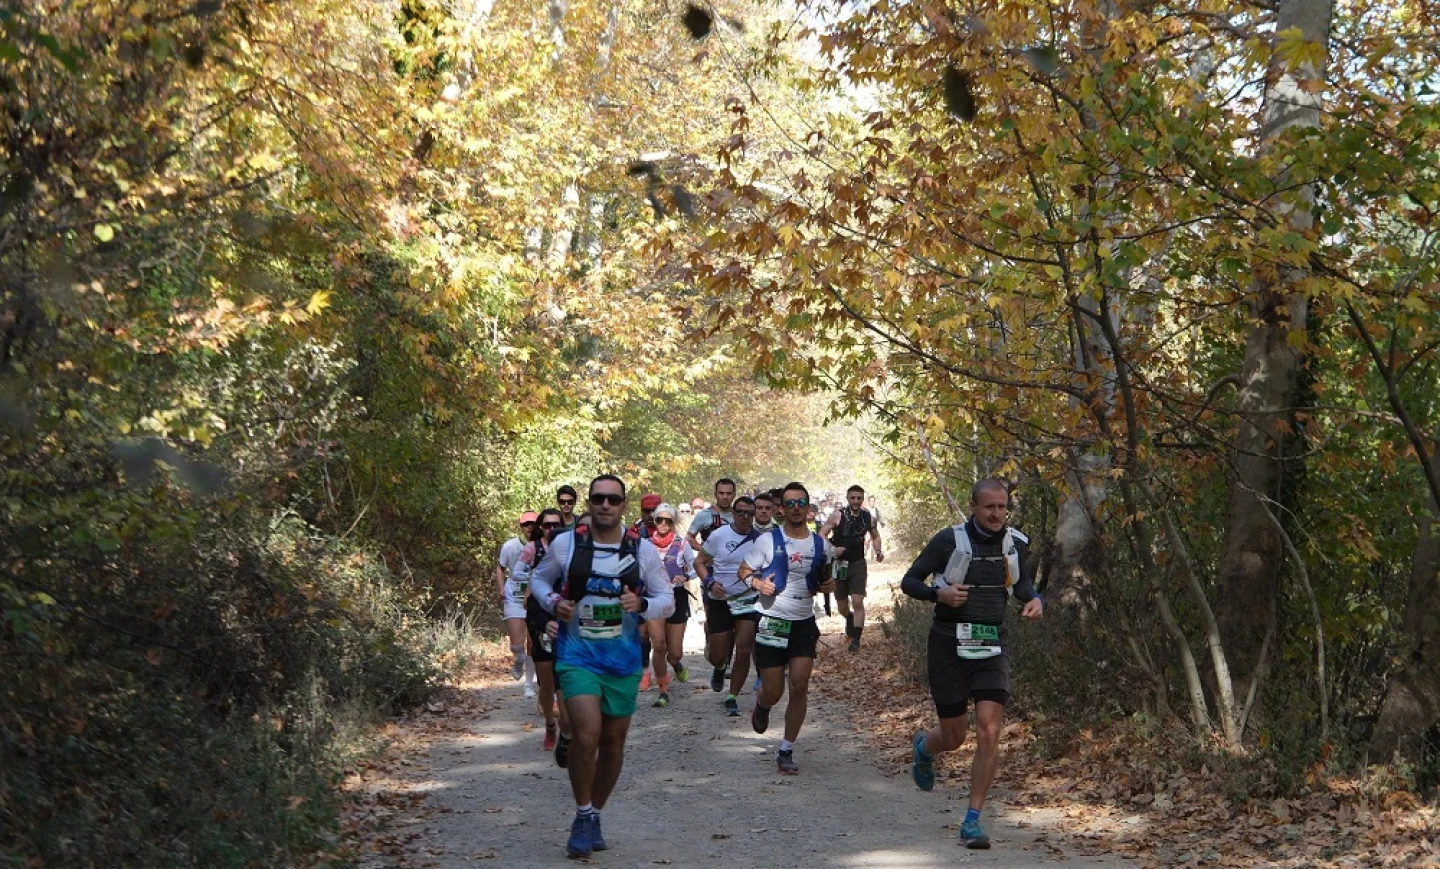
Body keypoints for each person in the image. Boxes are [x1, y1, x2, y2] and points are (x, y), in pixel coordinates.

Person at [528, 475, 674, 858]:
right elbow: (539, 583)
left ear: (623, 505)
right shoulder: (566, 543)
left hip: (623, 659)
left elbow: (666, 599)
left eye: (613, 500)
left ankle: (594, 815)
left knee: (613, 742)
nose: (605, 505)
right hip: (577, 654)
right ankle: (581, 813)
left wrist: (641, 607)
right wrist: (552, 604)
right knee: (588, 732)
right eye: (598, 499)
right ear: (589, 503)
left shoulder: (641, 551)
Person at [900, 479, 1044, 850]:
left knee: (990, 729)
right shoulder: (947, 541)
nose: (996, 514)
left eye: (1002, 507)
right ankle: (924, 748)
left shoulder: (1015, 543)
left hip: (992, 642)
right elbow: (909, 581)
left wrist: (1034, 600)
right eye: (989, 507)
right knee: (955, 736)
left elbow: (1022, 582)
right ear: (974, 507)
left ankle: (973, 819)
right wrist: (939, 594)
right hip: (948, 643)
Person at [738, 482, 835, 774]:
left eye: (800, 503)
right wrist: (757, 583)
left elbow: (825, 580)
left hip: (804, 621)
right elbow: (743, 570)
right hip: (772, 619)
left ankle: (786, 749)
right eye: (790, 503)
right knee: (774, 690)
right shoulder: (768, 541)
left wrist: (829, 586)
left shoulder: (821, 545)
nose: (795, 508)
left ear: (808, 507)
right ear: (782, 509)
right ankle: (762, 705)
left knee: (800, 684)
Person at [513, 509, 572, 755]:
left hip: (566, 618)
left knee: (567, 679)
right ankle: (550, 724)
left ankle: (569, 730)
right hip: (540, 615)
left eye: (557, 524)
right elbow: (516, 574)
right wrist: (531, 585)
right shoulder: (533, 548)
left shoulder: (573, 548)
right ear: (540, 528)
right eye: (547, 525)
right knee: (546, 681)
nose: (552, 529)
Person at [697, 496, 762, 715]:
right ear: (733, 514)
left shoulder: (761, 540)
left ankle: (732, 696)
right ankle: (719, 664)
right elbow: (699, 562)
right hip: (720, 600)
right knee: (718, 654)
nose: (745, 517)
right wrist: (709, 582)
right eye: (741, 512)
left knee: (744, 648)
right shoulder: (719, 536)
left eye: (749, 513)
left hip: (747, 599)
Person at [644, 502, 702, 707]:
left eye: (668, 521)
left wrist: (683, 576)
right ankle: (663, 691)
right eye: (659, 519)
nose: (663, 524)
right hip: (654, 599)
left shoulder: (682, 544)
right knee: (658, 645)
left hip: (677, 598)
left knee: (674, 652)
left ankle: (676, 664)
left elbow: (696, 568)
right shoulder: (645, 545)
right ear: (654, 520)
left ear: (673, 522)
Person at [821, 484, 884, 652]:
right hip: (839, 563)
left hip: (858, 563)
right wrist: (832, 549)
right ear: (848, 498)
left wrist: (878, 551)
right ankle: (848, 618)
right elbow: (821, 534)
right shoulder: (837, 516)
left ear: (862, 499)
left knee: (857, 600)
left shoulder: (868, 517)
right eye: (853, 498)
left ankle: (856, 639)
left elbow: (876, 536)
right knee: (842, 605)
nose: (856, 501)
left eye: (859, 498)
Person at [497, 511, 538, 695]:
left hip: (535, 596)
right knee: (516, 644)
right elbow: (500, 567)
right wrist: (500, 587)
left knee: (532, 641)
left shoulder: (543, 545)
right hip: (514, 595)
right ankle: (519, 659)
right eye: (525, 524)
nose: (529, 527)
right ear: (521, 526)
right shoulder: (510, 546)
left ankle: (529, 683)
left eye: (533, 524)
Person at [634, 492, 663, 691]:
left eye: (655, 510)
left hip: (664, 589)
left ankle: (672, 664)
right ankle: (645, 671)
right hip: (641, 589)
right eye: (647, 510)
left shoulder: (671, 529)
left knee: (662, 641)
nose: (651, 514)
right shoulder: (634, 533)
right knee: (642, 633)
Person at [686, 478, 736, 549]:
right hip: (710, 559)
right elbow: (689, 538)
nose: (725, 497)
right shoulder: (704, 515)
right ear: (715, 495)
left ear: (734, 495)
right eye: (721, 493)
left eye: (729, 493)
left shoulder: (740, 516)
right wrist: (705, 552)